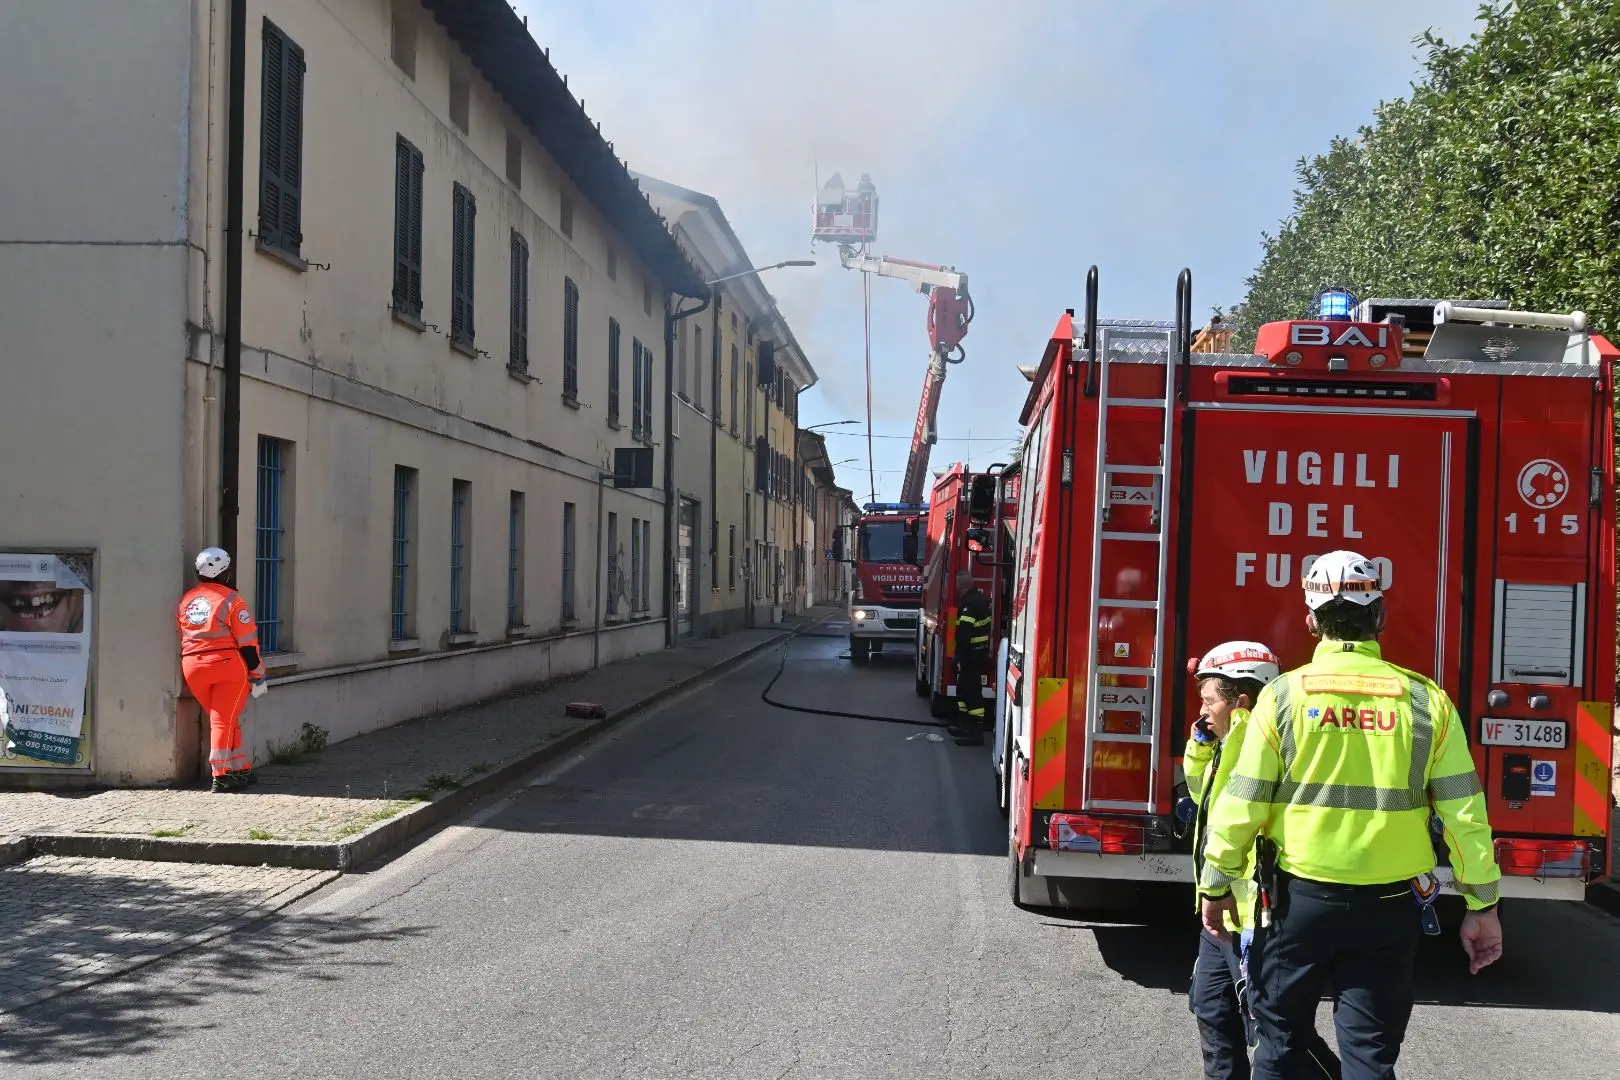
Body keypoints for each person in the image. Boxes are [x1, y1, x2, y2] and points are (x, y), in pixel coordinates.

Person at [1199, 551, 1503, 1080]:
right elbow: (1464, 811)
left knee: (1280, 1045)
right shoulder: (1426, 700)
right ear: (1379, 616)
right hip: (1389, 907)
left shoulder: (1283, 697)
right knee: (1369, 1057)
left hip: (1299, 904)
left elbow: (1242, 802)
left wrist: (1216, 882)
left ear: (1311, 620)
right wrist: (1483, 901)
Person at [1184, 641, 1341, 1080]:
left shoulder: (1260, 744)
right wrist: (1200, 745)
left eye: (1208, 700)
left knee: (1281, 1036)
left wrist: (1222, 889)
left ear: (1241, 703)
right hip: (1223, 914)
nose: (1201, 710)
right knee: (1214, 1015)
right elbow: (1205, 800)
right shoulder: (1226, 743)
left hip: (1257, 917)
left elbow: (1241, 827)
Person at [176, 547, 268, 793]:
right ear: (225, 573)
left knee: (226, 718)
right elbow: (247, 642)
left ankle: (240, 768)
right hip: (227, 666)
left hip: (193, 666)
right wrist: (257, 672)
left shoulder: (187, 600)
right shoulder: (231, 599)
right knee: (222, 721)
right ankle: (222, 774)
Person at [947, 570, 993, 746]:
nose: (957, 588)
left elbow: (964, 635)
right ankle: (965, 726)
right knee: (964, 689)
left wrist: (957, 657)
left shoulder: (969, 605)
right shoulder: (981, 600)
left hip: (971, 656)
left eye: (958, 585)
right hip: (978, 654)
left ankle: (975, 734)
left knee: (970, 693)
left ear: (962, 585)